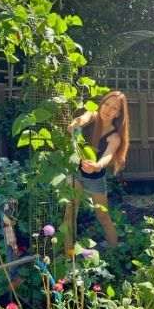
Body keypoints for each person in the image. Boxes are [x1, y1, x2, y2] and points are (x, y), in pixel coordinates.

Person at [63, 91, 130, 251]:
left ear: (118, 114)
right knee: (70, 214)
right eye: (106, 104)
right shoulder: (92, 116)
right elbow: (82, 119)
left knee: (103, 216)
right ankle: (68, 255)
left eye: (114, 108)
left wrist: (97, 166)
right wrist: (75, 124)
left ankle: (115, 251)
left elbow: (107, 156)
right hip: (76, 173)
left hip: (95, 178)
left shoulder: (115, 136)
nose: (108, 110)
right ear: (101, 104)